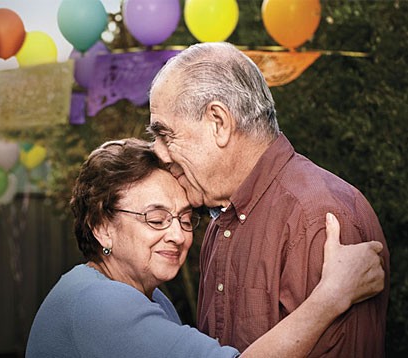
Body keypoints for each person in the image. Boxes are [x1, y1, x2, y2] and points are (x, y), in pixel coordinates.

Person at [25, 138, 384, 358]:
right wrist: (333, 295)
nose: (178, 235)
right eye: (156, 218)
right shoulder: (100, 305)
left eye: (184, 218)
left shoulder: (146, 296)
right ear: (102, 228)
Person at [148, 42, 390, 356]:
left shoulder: (318, 218)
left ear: (219, 123)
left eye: (165, 135)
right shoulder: (221, 222)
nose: (157, 152)